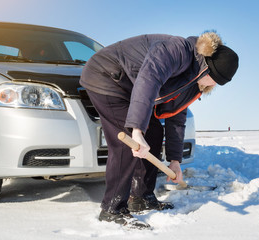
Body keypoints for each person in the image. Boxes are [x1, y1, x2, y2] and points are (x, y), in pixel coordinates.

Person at [80, 31, 239, 229]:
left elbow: (175, 115)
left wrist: (175, 160)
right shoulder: (177, 50)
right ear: (208, 71)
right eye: (216, 80)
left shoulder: (193, 81)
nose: (215, 86)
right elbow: (149, 77)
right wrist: (137, 128)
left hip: (130, 86)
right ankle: (112, 209)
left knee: (154, 131)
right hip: (107, 75)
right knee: (127, 143)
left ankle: (141, 197)